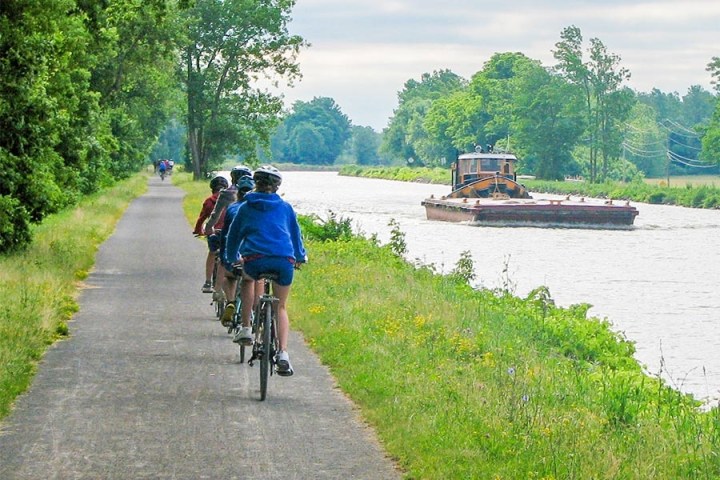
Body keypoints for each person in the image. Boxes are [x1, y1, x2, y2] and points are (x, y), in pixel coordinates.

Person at [224, 165, 306, 376]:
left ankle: (245, 328)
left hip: (255, 260)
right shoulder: (286, 208)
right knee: (281, 307)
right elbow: (295, 236)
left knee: (248, 281)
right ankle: (283, 353)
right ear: (277, 186)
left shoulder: (245, 207)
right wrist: (299, 257)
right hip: (283, 260)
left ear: (256, 183)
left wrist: (232, 258)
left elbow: (233, 237)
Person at [217, 176, 257, 328]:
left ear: (238, 193)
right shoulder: (257, 209)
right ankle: (255, 308)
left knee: (230, 276)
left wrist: (225, 258)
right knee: (253, 279)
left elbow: (227, 236)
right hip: (254, 254)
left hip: (236, 254)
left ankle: (231, 301)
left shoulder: (232, 208)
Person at [193, 174, 229, 293]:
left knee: (212, 253)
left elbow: (202, 218)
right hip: (228, 233)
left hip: (214, 232)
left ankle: (208, 282)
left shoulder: (209, 201)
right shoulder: (231, 199)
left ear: (212, 188)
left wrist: (198, 230)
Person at [203, 165, 253, 236]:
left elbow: (215, 214)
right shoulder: (255, 195)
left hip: (229, 230)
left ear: (232, 178)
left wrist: (208, 227)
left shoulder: (225, 193)